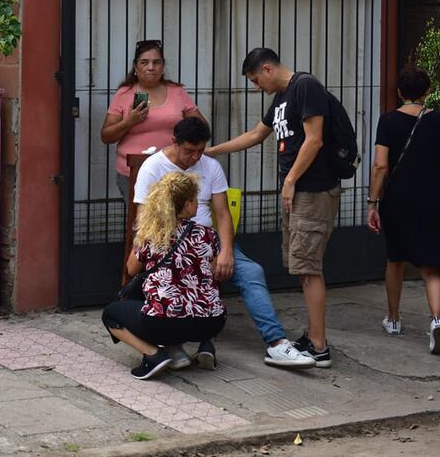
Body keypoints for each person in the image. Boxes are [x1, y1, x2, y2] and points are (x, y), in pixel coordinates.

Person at [134, 118, 315, 369]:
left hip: (209, 239)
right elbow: (144, 220)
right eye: (189, 151)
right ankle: (177, 341)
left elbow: (222, 215)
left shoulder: (210, 166)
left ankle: (276, 343)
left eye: (200, 150)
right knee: (185, 273)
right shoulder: (153, 167)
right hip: (170, 241)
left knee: (252, 271)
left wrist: (227, 251)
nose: (195, 157)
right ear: (174, 141)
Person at [206, 48, 341, 368]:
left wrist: (291, 180)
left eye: (255, 80)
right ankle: (312, 337)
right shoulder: (281, 98)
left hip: (313, 189)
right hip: (298, 192)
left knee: (308, 267)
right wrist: (210, 152)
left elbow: (314, 139)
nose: (256, 86)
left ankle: (319, 347)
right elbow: (256, 134)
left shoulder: (305, 87)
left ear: (267, 69)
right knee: (301, 265)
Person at [366, 67, 440, 355]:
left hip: (397, 200)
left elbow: (380, 165)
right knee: (430, 268)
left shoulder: (388, 121)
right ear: (427, 91)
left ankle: (393, 319)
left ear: (400, 92)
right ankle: (437, 321)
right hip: (433, 200)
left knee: (396, 260)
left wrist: (372, 202)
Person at [101, 172, 226, 380]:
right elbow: (214, 273)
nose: (198, 204)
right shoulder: (208, 234)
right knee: (207, 295)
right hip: (212, 321)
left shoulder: (152, 234)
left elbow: (131, 269)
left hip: (164, 323)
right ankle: (206, 345)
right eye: (195, 199)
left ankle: (154, 355)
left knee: (110, 313)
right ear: (186, 205)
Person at [100, 39, 206, 203]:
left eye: (156, 62)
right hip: (133, 172)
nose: (151, 67)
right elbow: (106, 136)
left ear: (163, 67)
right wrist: (129, 121)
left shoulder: (176, 92)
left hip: (172, 170)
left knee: (173, 221)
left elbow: (202, 128)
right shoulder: (125, 93)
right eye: (144, 62)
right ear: (136, 67)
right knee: (141, 223)